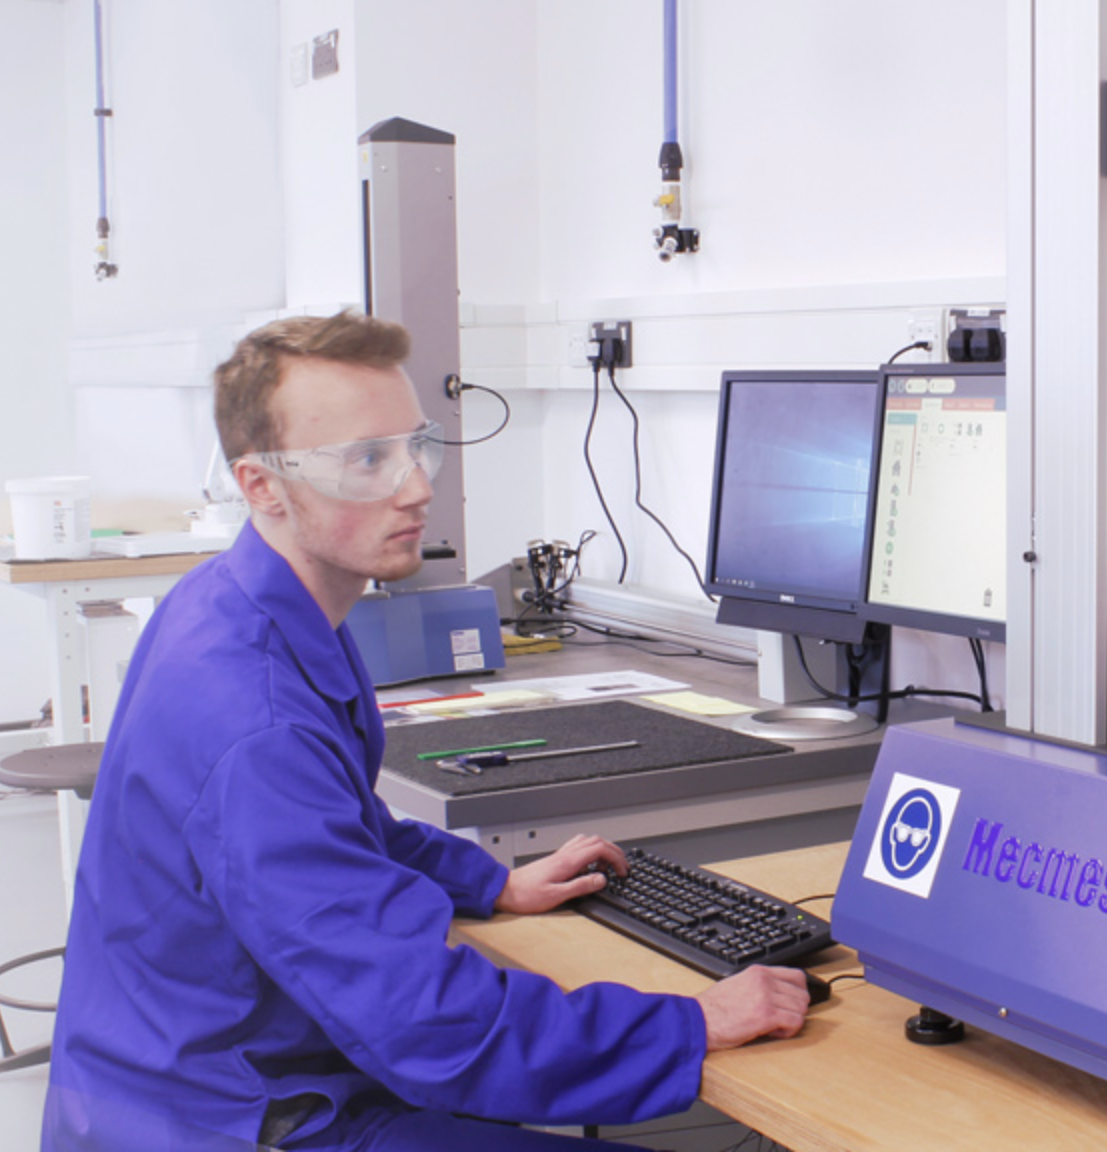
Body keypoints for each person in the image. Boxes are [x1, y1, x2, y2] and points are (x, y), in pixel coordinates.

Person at [42, 312, 810, 1151]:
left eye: (417, 447)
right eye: (367, 461)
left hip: (192, 1073)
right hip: (238, 1118)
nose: (414, 487)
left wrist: (490, 883)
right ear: (261, 485)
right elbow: (428, 1027)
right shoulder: (253, 720)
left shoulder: (243, 602)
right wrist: (688, 1024)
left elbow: (340, 829)